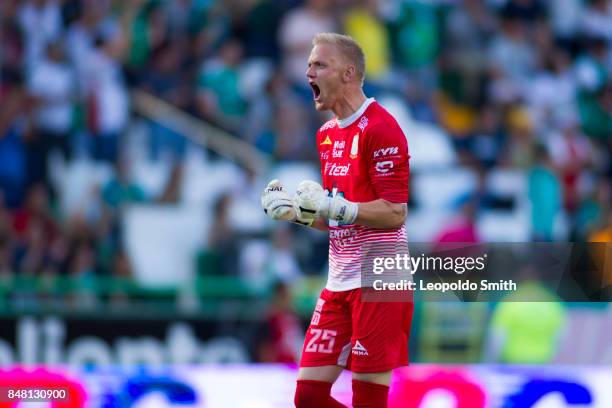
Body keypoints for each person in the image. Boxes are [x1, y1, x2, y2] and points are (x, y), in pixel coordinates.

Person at [261, 33, 413, 408]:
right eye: (309, 64)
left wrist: (337, 207)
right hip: (338, 283)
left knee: (368, 400)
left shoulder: (382, 128)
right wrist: (296, 215)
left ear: (348, 73)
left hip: (380, 281)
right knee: (308, 396)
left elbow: (395, 212)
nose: (308, 71)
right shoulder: (327, 136)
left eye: (318, 65)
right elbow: (337, 220)